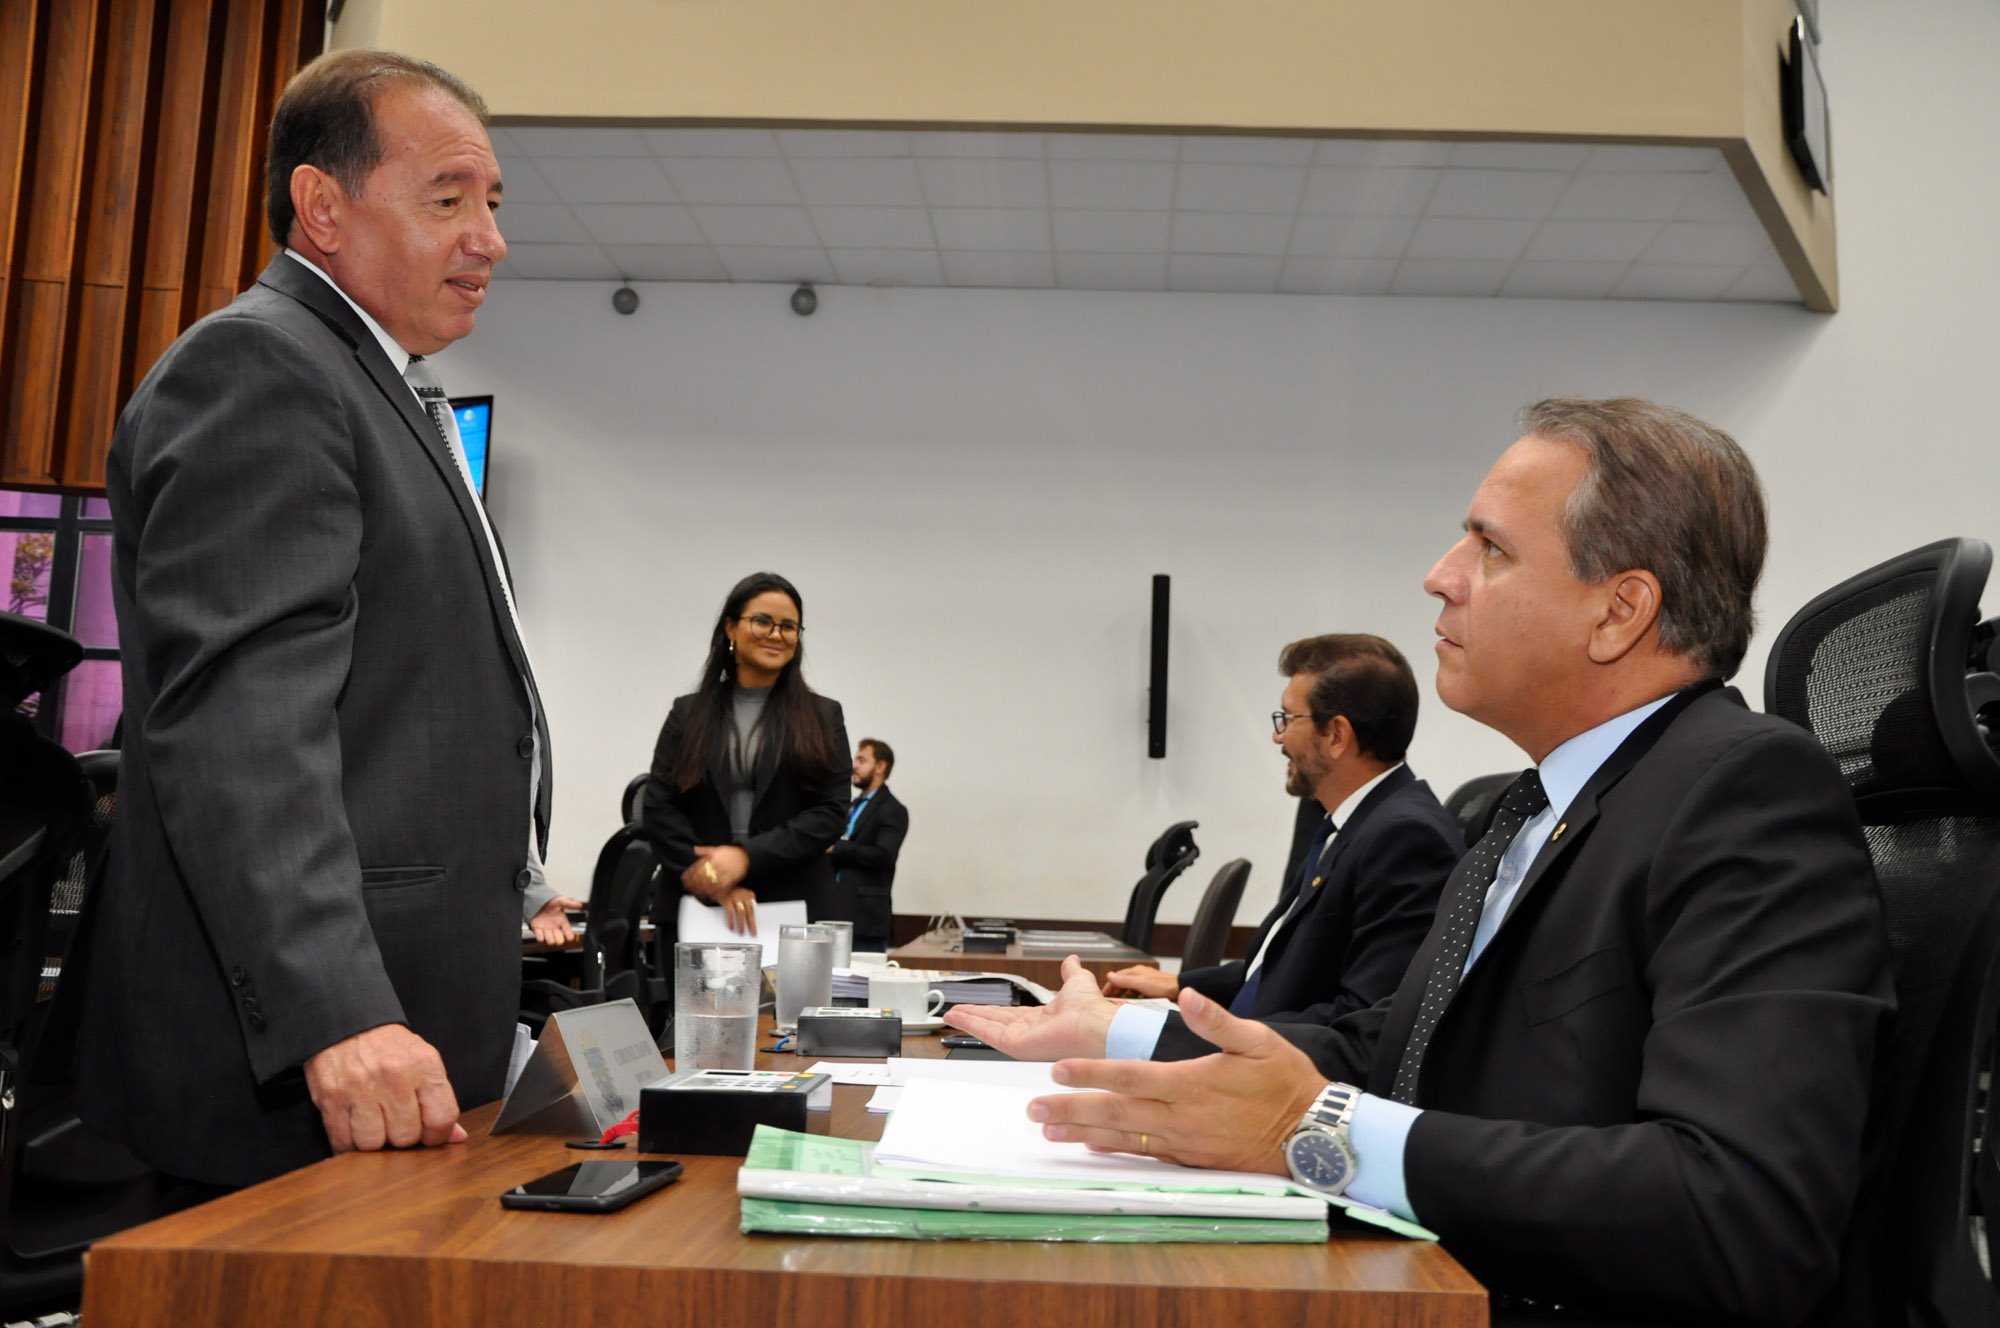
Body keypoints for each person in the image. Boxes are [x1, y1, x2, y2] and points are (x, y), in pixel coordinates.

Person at [948, 399, 1895, 1326]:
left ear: (1619, 611)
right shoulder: (1535, 807)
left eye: (1491, 548)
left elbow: (1739, 1213)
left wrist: (1317, 1134)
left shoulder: (1743, 791)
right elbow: (1394, 1051)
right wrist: (1116, 1032)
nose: (1440, 576)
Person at [72, 50, 577, 1192]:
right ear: (323, 207)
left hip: (398, 1045)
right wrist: (334, 1011)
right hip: (309, 1063)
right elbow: (243, 727)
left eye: (493, 203)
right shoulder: (262, 366)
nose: (490, 239)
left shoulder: (376, 383)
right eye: (447, 199)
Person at [1100, 634, 1460, 1048]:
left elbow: (1362, 1021)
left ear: (1336, 735)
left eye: (1288, 718)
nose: (1278, 737)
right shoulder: (1352, 825)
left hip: (1274, 1070)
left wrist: (1181, 1034)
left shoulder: (1404, 838)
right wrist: (1179, 985)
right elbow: (1282, 971)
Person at [640, 573, 850, 937]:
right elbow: (659, 806)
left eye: (788, 626)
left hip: (794, 908)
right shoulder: (687, 714)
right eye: (762, 621)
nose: (776, 634)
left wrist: (746, 857)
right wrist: (712, 877)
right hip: (697, 908)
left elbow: (830, 813)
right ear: (731, 628)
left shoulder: (823, 716)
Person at [828, 738, 909, 952]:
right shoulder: (851, 806)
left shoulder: (892, 809)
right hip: (834, 912)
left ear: (880, 767)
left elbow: (884, 855)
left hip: (866, 918)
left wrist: (838, 848)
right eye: (855, 759)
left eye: (862, 760)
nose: (854, 766)